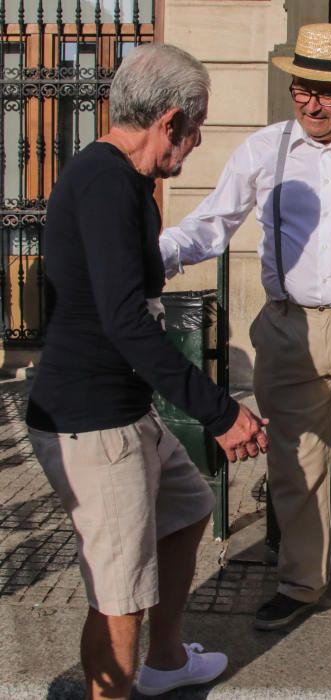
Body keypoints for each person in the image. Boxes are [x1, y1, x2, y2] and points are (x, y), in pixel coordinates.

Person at [159, 23, 331, 656]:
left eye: (324, 92)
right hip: (288, 326)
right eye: (300, 89)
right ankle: (300, 584)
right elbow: (211, 223)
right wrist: (154, 253)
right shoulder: (265, 150)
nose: (310, 103)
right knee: (295, 464)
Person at [26, 43, 268, 699]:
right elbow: (124, 321)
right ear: (170, 121)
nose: (192, 148)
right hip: (95, 424)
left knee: (187, 509)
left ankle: (163, 664)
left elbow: (115, 290)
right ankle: (118, 685)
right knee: (120, 594)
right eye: (195, 131)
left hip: (124, 412)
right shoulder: (106, 182)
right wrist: (220, 412)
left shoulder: (119, 181)